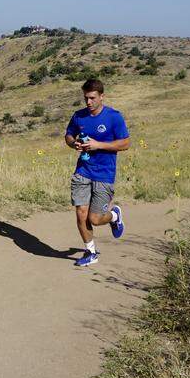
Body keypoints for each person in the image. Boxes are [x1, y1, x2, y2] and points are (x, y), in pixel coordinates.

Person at [64, 78, 130, 267]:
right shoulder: (79, 116)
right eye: (86, 98)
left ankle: (114, 215)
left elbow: (125, 143)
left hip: (104, 173)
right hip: (82, 171)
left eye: (92, 98)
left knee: (95, 218)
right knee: (81, 214)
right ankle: (90, 252)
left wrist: (98, 145)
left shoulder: (113, 117)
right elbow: (69, 135)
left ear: (102, 96)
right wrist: (73, 143)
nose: (88, 102)